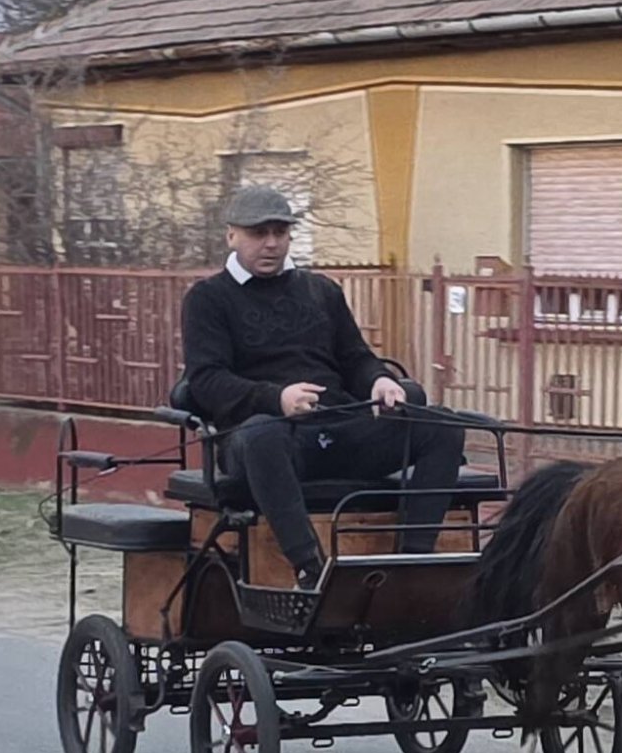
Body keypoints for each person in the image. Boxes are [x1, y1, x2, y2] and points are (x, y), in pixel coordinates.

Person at [181, 185, 464, 588]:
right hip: (269, 443)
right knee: (262, 434)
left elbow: (355, 358)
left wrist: (380, 381)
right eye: (259, 233)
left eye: (280, 232)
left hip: (339, 429)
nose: (271, 243)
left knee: (441, 425)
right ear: (232, 235)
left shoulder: (321, 290)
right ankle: (310, 569)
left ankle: (412, 559)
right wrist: (277, 399)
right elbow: (207, 380)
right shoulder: (208, 299)